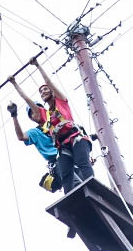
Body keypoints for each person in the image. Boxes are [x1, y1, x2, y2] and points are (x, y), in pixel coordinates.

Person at [8, 58, 94, 194]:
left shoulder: (61, 102)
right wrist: (14, 84)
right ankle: (70, 198)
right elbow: (27, 100)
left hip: (76, 138)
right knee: (66, 174)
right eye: (40, 92)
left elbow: (48, 82)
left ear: (52, 92)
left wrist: (37, 65)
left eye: (45, 90)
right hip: (63, 146)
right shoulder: (45, 116)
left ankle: (93, 190)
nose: (43, 92)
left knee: (82, 163)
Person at [6, 101, 61, 192]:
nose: (35, 113)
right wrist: (14, 115)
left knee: (84, 178)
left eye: (37, 109)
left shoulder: (56, 121)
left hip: (71, 154)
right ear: (32, 118)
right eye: (32, 113)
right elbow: (21, 136)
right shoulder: (35, 132)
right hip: (57, 161)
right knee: (74, 183)